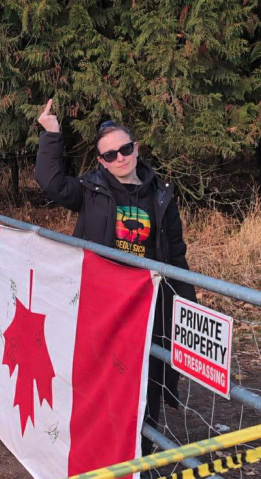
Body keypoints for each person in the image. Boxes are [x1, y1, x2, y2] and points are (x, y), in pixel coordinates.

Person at [34, 99, 197, 455]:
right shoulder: (90, 190)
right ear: (100, 162)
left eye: (125, 149)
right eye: (110, 155)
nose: (119, 158)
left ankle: (139, 453)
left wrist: (187, 307)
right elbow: (49, 181)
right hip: (101, 303)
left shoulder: (162, 196)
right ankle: (97, 449)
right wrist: (52, 134)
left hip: (147, 306)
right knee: (102, 377)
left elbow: (175, 253)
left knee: (147, 377)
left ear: (135, 148)